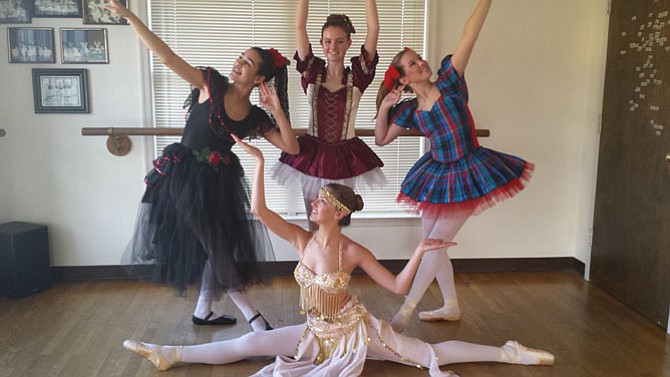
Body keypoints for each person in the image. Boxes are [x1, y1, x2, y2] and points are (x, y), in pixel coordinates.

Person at [121, 135, 554, 377]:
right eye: (315, 200)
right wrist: (255, 162)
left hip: (357, 333)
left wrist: (421, 249)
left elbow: (399, 287)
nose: (313, 204)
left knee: (428, 355)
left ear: (339, 211)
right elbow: (259, 211)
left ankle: (508, 352)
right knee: (251, 343)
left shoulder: (353, 251)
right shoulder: (301, 240)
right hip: (313, 331)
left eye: (321, 200)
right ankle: (171, 352)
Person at [106, 0, 299, 331]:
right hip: (183, 176)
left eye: (248, 62)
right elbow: (166, 56)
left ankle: (204, 310)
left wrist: (277, 109)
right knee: (216, 244)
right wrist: (128, 15)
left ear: (260, 77)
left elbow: (291, 147)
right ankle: (253, 316)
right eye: (240, 57)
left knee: (217, 244)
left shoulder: (254, 116)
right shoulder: (210, 83)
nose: (239, 63)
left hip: (218, 183)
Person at [375, 0, 533, 332]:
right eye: (412, 63)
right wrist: (384, 107)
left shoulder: (448, 78)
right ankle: (450, 305)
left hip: (469, 170)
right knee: (433, 242)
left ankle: (407, 309)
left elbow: (468, 36)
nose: (421, 63)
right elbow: (381, 139)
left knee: (433, 244)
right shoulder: (410, 110)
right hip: (438, 172)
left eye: (419, 58)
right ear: (403, 78)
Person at [273, 0, 385, 231]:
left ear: (348, 44)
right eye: (328, 41)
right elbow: (299, 28)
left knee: (338, 222)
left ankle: (336, 266)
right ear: (322, 44)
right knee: (314, 220)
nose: (333, 47)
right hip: (312, 156)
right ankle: (313, 266)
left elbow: (374, 29)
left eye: (339, 41)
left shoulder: (359, 74)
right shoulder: (312, 72)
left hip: (345, 156)